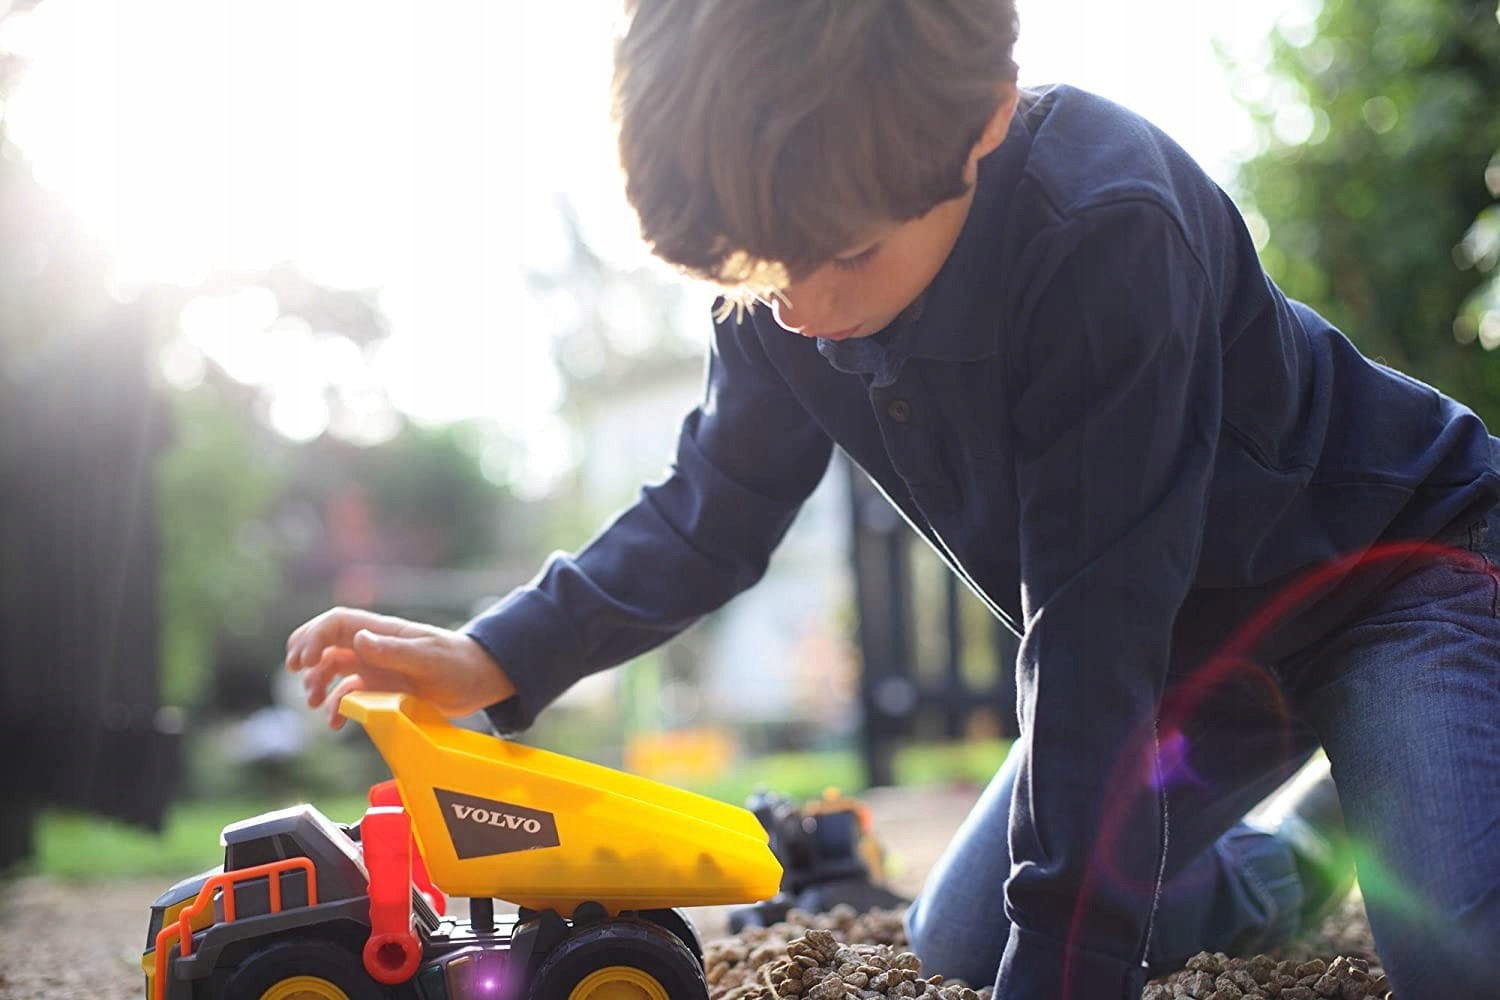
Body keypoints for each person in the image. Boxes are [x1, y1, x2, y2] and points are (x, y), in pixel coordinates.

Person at [285, 1, 1500, 996]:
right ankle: (1313, 840)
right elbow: (711, 508)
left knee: (1453, 954)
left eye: (846, 257)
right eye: (762, 274)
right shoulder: (783, 267)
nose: (804, 308)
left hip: (1394, 583)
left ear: (984, 122)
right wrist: (492, 654)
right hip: (1198, 664)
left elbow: (1096, 629)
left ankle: (1419, 749)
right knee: (961, 944)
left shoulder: (1106, 226)